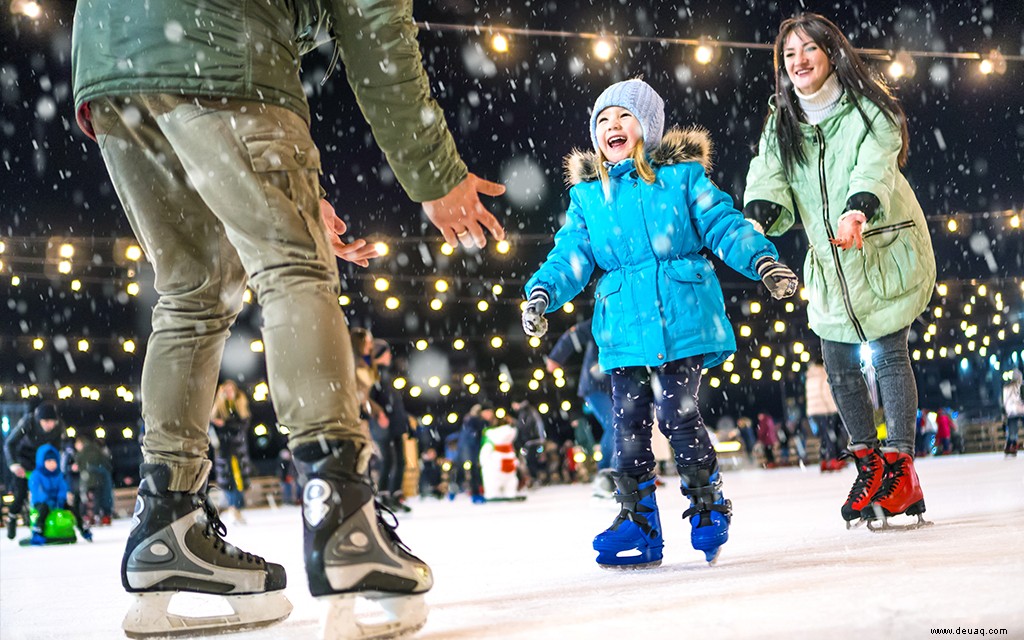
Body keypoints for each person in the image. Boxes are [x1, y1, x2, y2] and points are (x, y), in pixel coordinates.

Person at [71, 0, 506, 635]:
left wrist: (295, 192)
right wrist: (434, 173)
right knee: (293, 269)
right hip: (214, 45)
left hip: (112, 57)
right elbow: (374, 24)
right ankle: (341, 514)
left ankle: (169, 523)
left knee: (193, 292)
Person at [521, 78, 798, 568]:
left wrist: (761, 261)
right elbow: (571, 255)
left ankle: (708, 505)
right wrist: (543, 291)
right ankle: (638, 521)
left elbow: (724, 224)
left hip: (681, 318)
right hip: (624, 327)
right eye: (603, 120)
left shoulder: (683, 178)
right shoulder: (589, 196)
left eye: (624, 116)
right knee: (627, 424)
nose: (612, 126)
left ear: (646, 126)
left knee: (676, 415)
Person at [743, 13, 936, 529]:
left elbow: (875, 160)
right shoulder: (782, 121)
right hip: (829, 261)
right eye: (789, 54)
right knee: (839, 361)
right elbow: (768, 172)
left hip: (877, 245)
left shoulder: (867, 108)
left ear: (831, 53)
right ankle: (869, 466)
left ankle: (901, 466)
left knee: (890, 355)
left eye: (808, 49)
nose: (799, 61)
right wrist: (755, 218)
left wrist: (858, 208)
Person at [546, 319, 615, 471]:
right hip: (596, 385)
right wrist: (556, 356)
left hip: (616, 384)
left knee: (629, 424)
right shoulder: (606, 317)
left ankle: (632, 468)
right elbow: (575, 333)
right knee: (615, 425)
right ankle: (606, 470)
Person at [3, 403, 65, 540]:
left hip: (44, 463)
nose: (49, 425)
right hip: (23, 460)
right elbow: (9, 443)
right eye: (46, 422)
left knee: (48, 495)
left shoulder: (59, 427)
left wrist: (56, 467)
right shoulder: (28, 422)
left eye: (52, 421)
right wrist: (14, 464)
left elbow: (57, 449)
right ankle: (12, 517)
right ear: (39, 420)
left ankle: (44, 524)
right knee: (20, 494)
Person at [369, 339, 414, 513]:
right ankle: (384, 497)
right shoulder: (374, 375)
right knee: (387, 461)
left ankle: (394, 495)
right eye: (386, 353)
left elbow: (394, 402)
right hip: (384, 425)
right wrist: (379, 414)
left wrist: (404, 421)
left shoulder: (385, 375)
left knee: (400, 460)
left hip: (394, 423)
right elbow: (370, 399)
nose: (390, 356)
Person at [28, 444, 92, 544]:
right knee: (43, 510)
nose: (52, 464)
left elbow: (63, 487)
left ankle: (82, 528)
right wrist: (45, 499)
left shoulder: (58, 475)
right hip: (41, 501)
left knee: (72, 508)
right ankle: (38, 531)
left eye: (54, 462)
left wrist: (61, 499)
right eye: (48, 462)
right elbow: (36, 490)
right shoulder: (36, 475)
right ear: (42, 462)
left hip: (57, 500)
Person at [210, 380, 253, 524]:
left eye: (230, 390)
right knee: (228, 481)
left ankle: (236, 508)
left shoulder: (240, 407)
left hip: (237, 450)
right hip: (223, 451)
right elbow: (213, 428)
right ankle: (233, 508)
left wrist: (226, 425)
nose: (228, 393)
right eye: (225, 390)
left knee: (239, 481)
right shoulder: (218, 409)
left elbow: (240, 427)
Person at [805, 359, 846, 472]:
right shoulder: (822, 374)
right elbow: (826, 394)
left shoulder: (810, 376)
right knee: (830, 436)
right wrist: (834, 408)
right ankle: (833, 459)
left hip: (813, 411)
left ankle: (823, 460)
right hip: (825, 410)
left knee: (824, 436)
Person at [72, 434, 115, 525]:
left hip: (88, 480)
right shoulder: (96, 449)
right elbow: (107, 463)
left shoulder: (83, 453)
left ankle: (92, 516)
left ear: (80, 443)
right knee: (101, 497)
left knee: (90, 499)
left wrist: (77, 467)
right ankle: (103, 516)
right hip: (101, 479)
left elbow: (79, 464)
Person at [456, 403, 494, 503]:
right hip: (470, 449)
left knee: (474, 471)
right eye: (488, 412)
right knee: (474, 471)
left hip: (472, 448)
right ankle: (475, 493)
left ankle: (477, 491)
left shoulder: (476, 421)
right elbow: (471, 437)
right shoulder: (475, 421)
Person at [1002, 370, 1023, 457]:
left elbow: (1004, 402)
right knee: (1012, 430)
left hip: (1011, 411)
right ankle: (1011, 445)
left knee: (1012, 430)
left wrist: (1004, 412)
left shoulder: (1007, 387)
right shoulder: (1020, 386)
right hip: (1019, 410)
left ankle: (1011, 445)